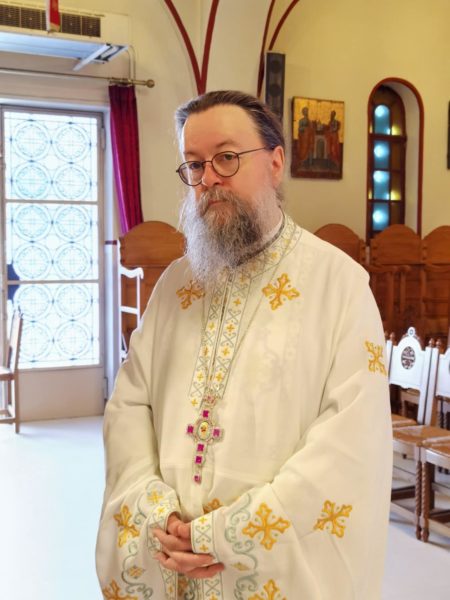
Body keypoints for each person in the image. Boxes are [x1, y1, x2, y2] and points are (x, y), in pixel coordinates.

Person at [96, 90, 392, 600]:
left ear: (276, 163)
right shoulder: (174, 286)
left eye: (227, 158)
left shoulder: (339, 285)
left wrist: (231, 536)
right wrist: (156, 511)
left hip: (270, 569)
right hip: (169, 553)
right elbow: (129, 405)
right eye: (194, 165)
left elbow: (351, 439)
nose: (209, 178)